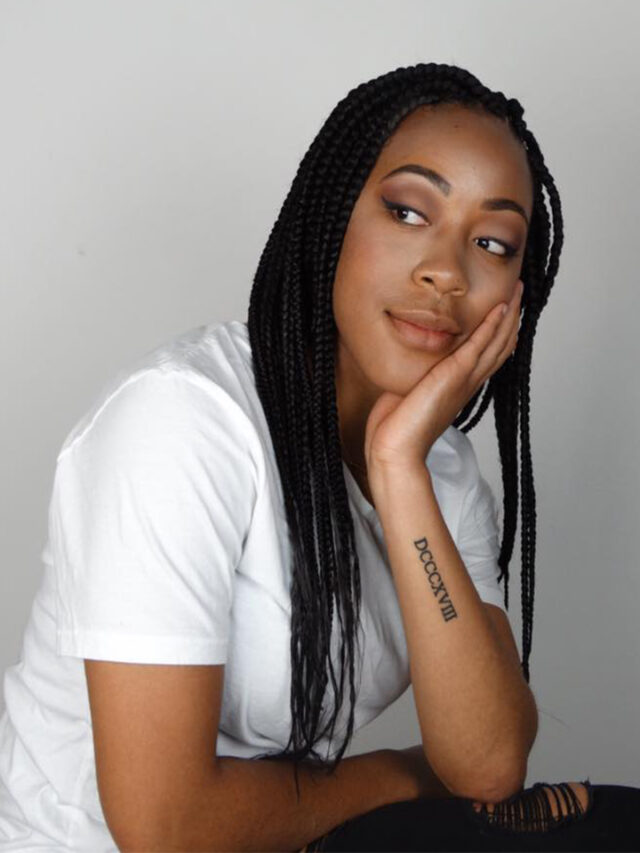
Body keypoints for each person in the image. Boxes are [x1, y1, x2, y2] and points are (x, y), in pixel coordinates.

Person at [0, 61, 638, 852]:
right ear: (333, 214)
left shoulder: (440, 472)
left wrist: (398, 470)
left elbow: (488, 761)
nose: (447, 271)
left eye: (492, 242)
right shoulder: (183, 422)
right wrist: (404, 775)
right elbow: (166, 826)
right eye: (408, 211)